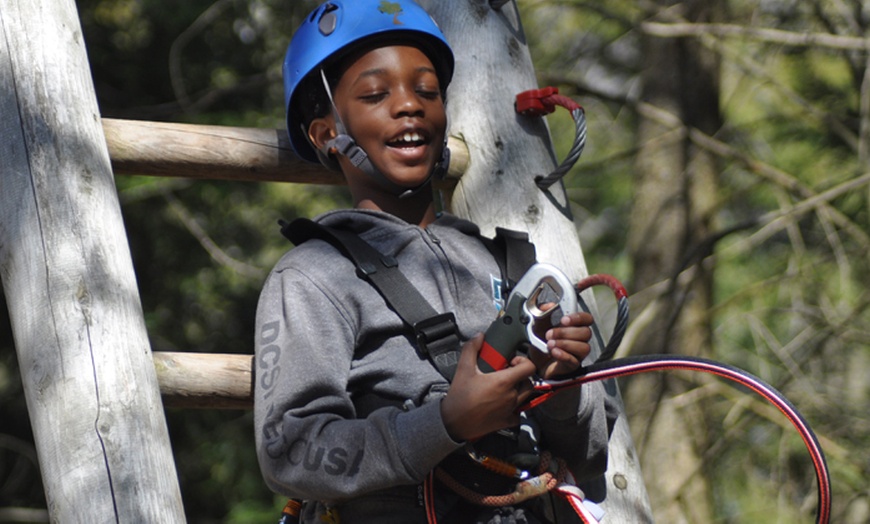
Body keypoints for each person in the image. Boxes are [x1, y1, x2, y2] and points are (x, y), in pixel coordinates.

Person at [253, 1, 615, 522]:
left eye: (427, 91)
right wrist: (446, 422)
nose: (409, 107)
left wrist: (561, 386)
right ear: (326, 133)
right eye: (376, 95)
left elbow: (591, 456)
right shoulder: (315, 277)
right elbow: (290, 450)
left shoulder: (515, 270)